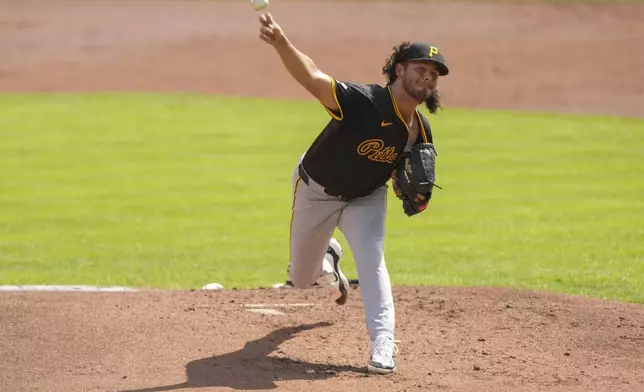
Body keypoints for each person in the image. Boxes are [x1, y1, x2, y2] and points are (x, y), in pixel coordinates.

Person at [257, 12, 449, 375]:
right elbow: (313, 78)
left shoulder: (419, 131)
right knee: (300, 278)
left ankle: (383, 344)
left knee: (372, 258)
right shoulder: (363, 101)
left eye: (433, 74)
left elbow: (410, 176)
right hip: (317, 191)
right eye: (421, 68)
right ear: (399, 69)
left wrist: (410, 188)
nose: (427, 76)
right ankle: (327, 260)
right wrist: (282, 43)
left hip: (365, 198)